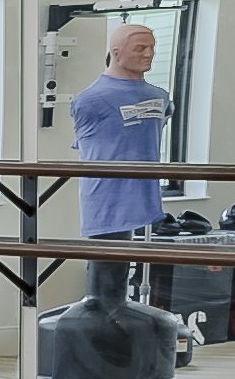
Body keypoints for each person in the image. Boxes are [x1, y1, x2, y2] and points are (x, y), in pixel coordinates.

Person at [70, 22, 173, 305]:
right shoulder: (90, 101)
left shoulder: (160, 97)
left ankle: (119, 319)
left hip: (143, 191)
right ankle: (103, 325)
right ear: (116, 52)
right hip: (107, 196)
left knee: (124, 265)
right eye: (140, 48)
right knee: (107, 270)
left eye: (152, 48)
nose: (148, 54)